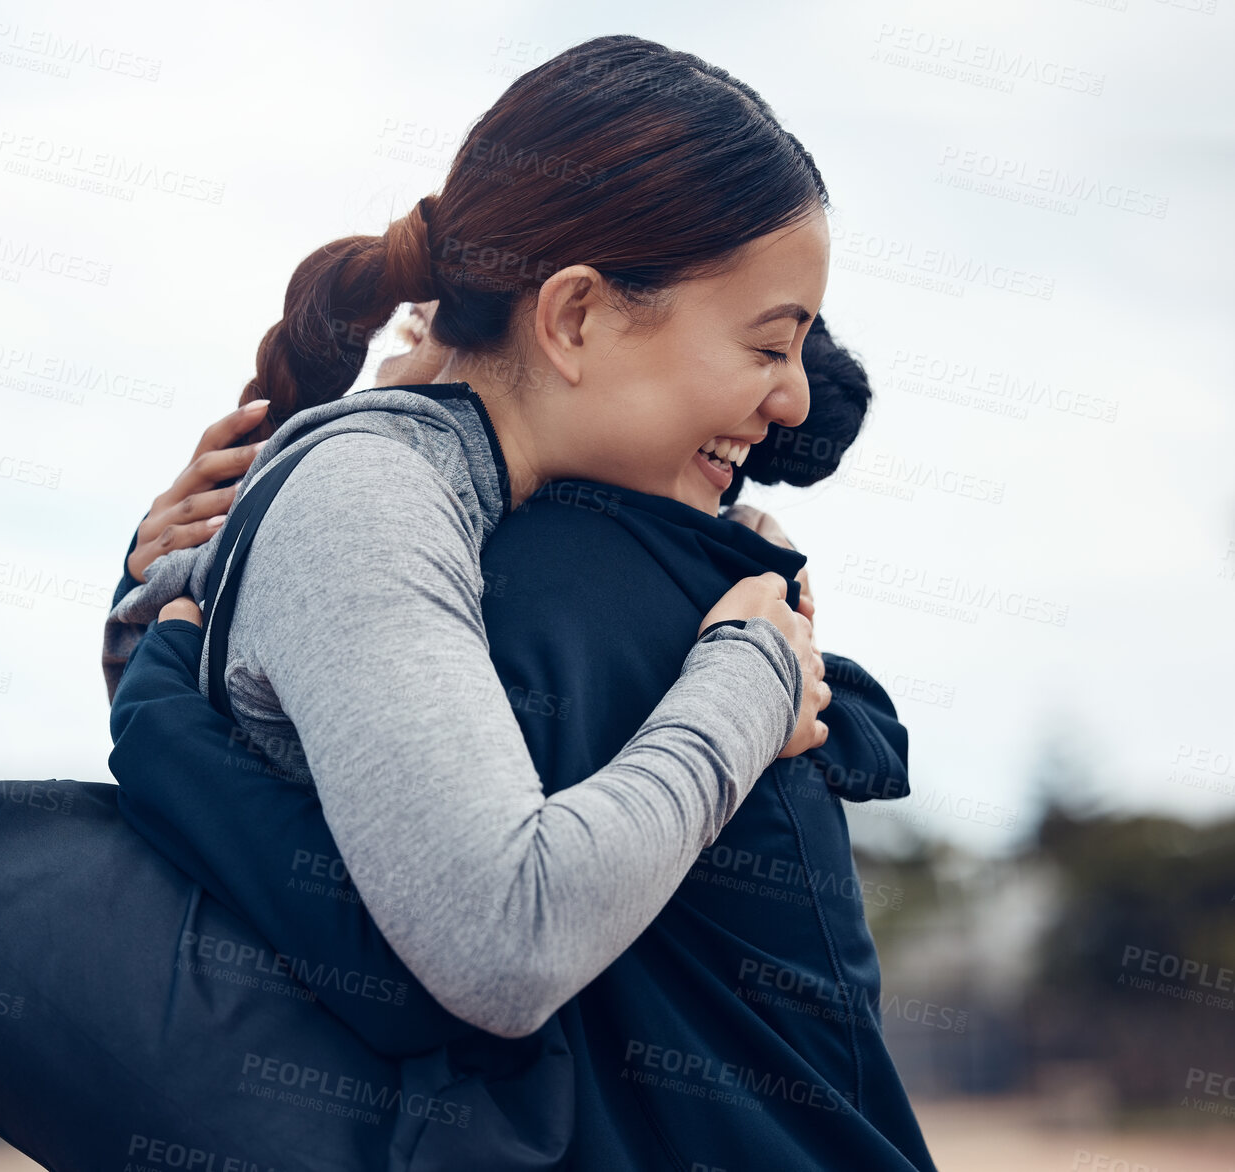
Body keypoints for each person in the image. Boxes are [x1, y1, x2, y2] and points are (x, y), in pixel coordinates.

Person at [106, 34, 833, 1047]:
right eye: (767, 344)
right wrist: (750, 679)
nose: (792, 398)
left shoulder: (448, 487)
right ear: (574, 317)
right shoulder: (368, 496)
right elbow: (507, 934)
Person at [106, 314, 937, 1169]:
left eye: (407, 335)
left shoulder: (553, 592)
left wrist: (157, 710)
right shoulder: (711, 591)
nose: (373, 402)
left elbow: (407, 964)